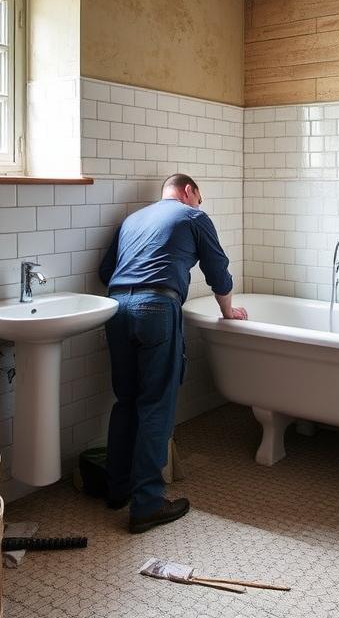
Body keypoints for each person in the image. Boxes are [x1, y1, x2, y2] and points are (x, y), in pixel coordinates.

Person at [98, 173, 247, 533]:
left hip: (116, 307)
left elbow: (105, 271)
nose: (200, 204)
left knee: (126, 401)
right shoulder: (193, 217)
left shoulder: (132, 219)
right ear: (188, 191)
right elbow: (218, 272)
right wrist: (227, 311)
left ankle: (116, 490)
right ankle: (147, 504)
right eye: (199, 197)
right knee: (156, 405)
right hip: (157, 309)